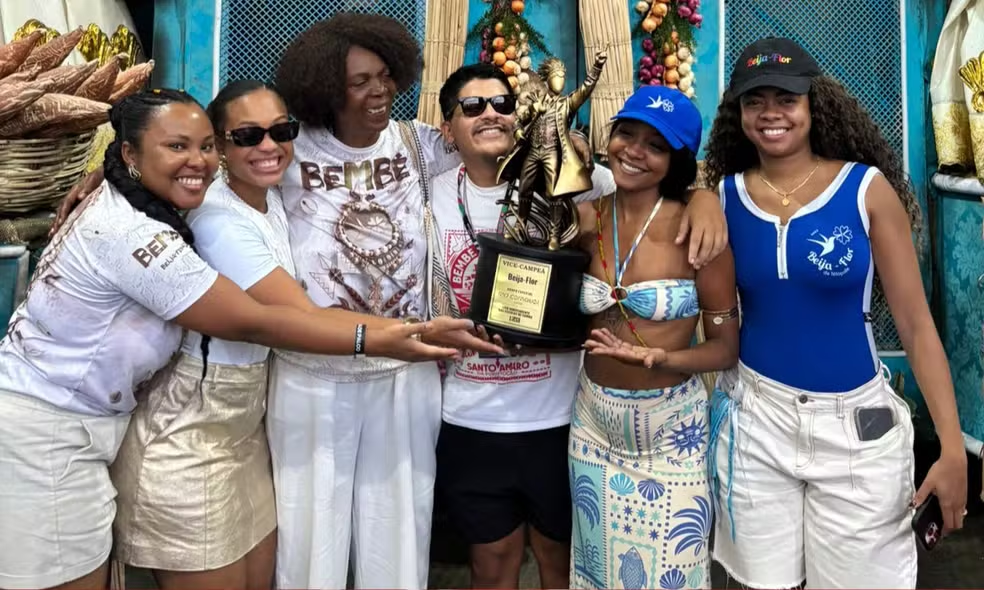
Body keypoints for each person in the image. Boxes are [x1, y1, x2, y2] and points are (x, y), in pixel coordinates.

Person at [0, 88, 493, 590]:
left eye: (282, 132)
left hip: (224, 433)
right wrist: (400, 336)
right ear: (131, 152)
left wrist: (106, 173)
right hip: (84, 430)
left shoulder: (252, 192)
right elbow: (265, 320)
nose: (268, 146)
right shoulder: (167, 227)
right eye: (247, 136)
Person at [703, 37, 967, 589]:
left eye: (786, 98)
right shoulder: (723, 198)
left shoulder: (864, 190)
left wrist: (950, 446)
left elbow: (917, 327)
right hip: (756, 421)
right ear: (738, 113)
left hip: (856, 430)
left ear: (812, 104)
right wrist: (698, 192)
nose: (771, 113)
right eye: (755, 101)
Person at [431, 63, 615, 589]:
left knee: (560, 564)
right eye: (472, 106)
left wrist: (699, 200)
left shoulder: (579, 180)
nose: (491, 112)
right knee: (492, 566)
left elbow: (652, 186)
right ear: (448, 130)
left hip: (560, 419)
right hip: (470, 420)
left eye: (503, 103)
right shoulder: (431, 192)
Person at [568, 85, 739, 590]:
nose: (634, 152)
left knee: (673, 575)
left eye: (656, 145)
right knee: (597, 572)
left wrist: (663, 357)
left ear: (677, 159)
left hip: (672, 433)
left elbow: (726, 347)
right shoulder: (584, 219)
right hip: (593, 425)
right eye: (627, 134)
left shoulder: (698, 232)